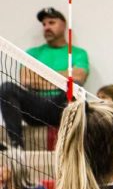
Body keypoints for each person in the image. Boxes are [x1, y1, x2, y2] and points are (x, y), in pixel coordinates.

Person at [0, 8, 89, 147]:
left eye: (51, 22)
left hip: (62, 107)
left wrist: (41, 76)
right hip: (36, 106)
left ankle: (75, 146)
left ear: (63, 25)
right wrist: (63, 78)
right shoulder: (32, 53)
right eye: (44, 24)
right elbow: (26, 80)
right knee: (6, 88)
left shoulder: (78, 53)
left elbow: (78, 77)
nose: (46, 27)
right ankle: (16, 145)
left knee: (76, 87)